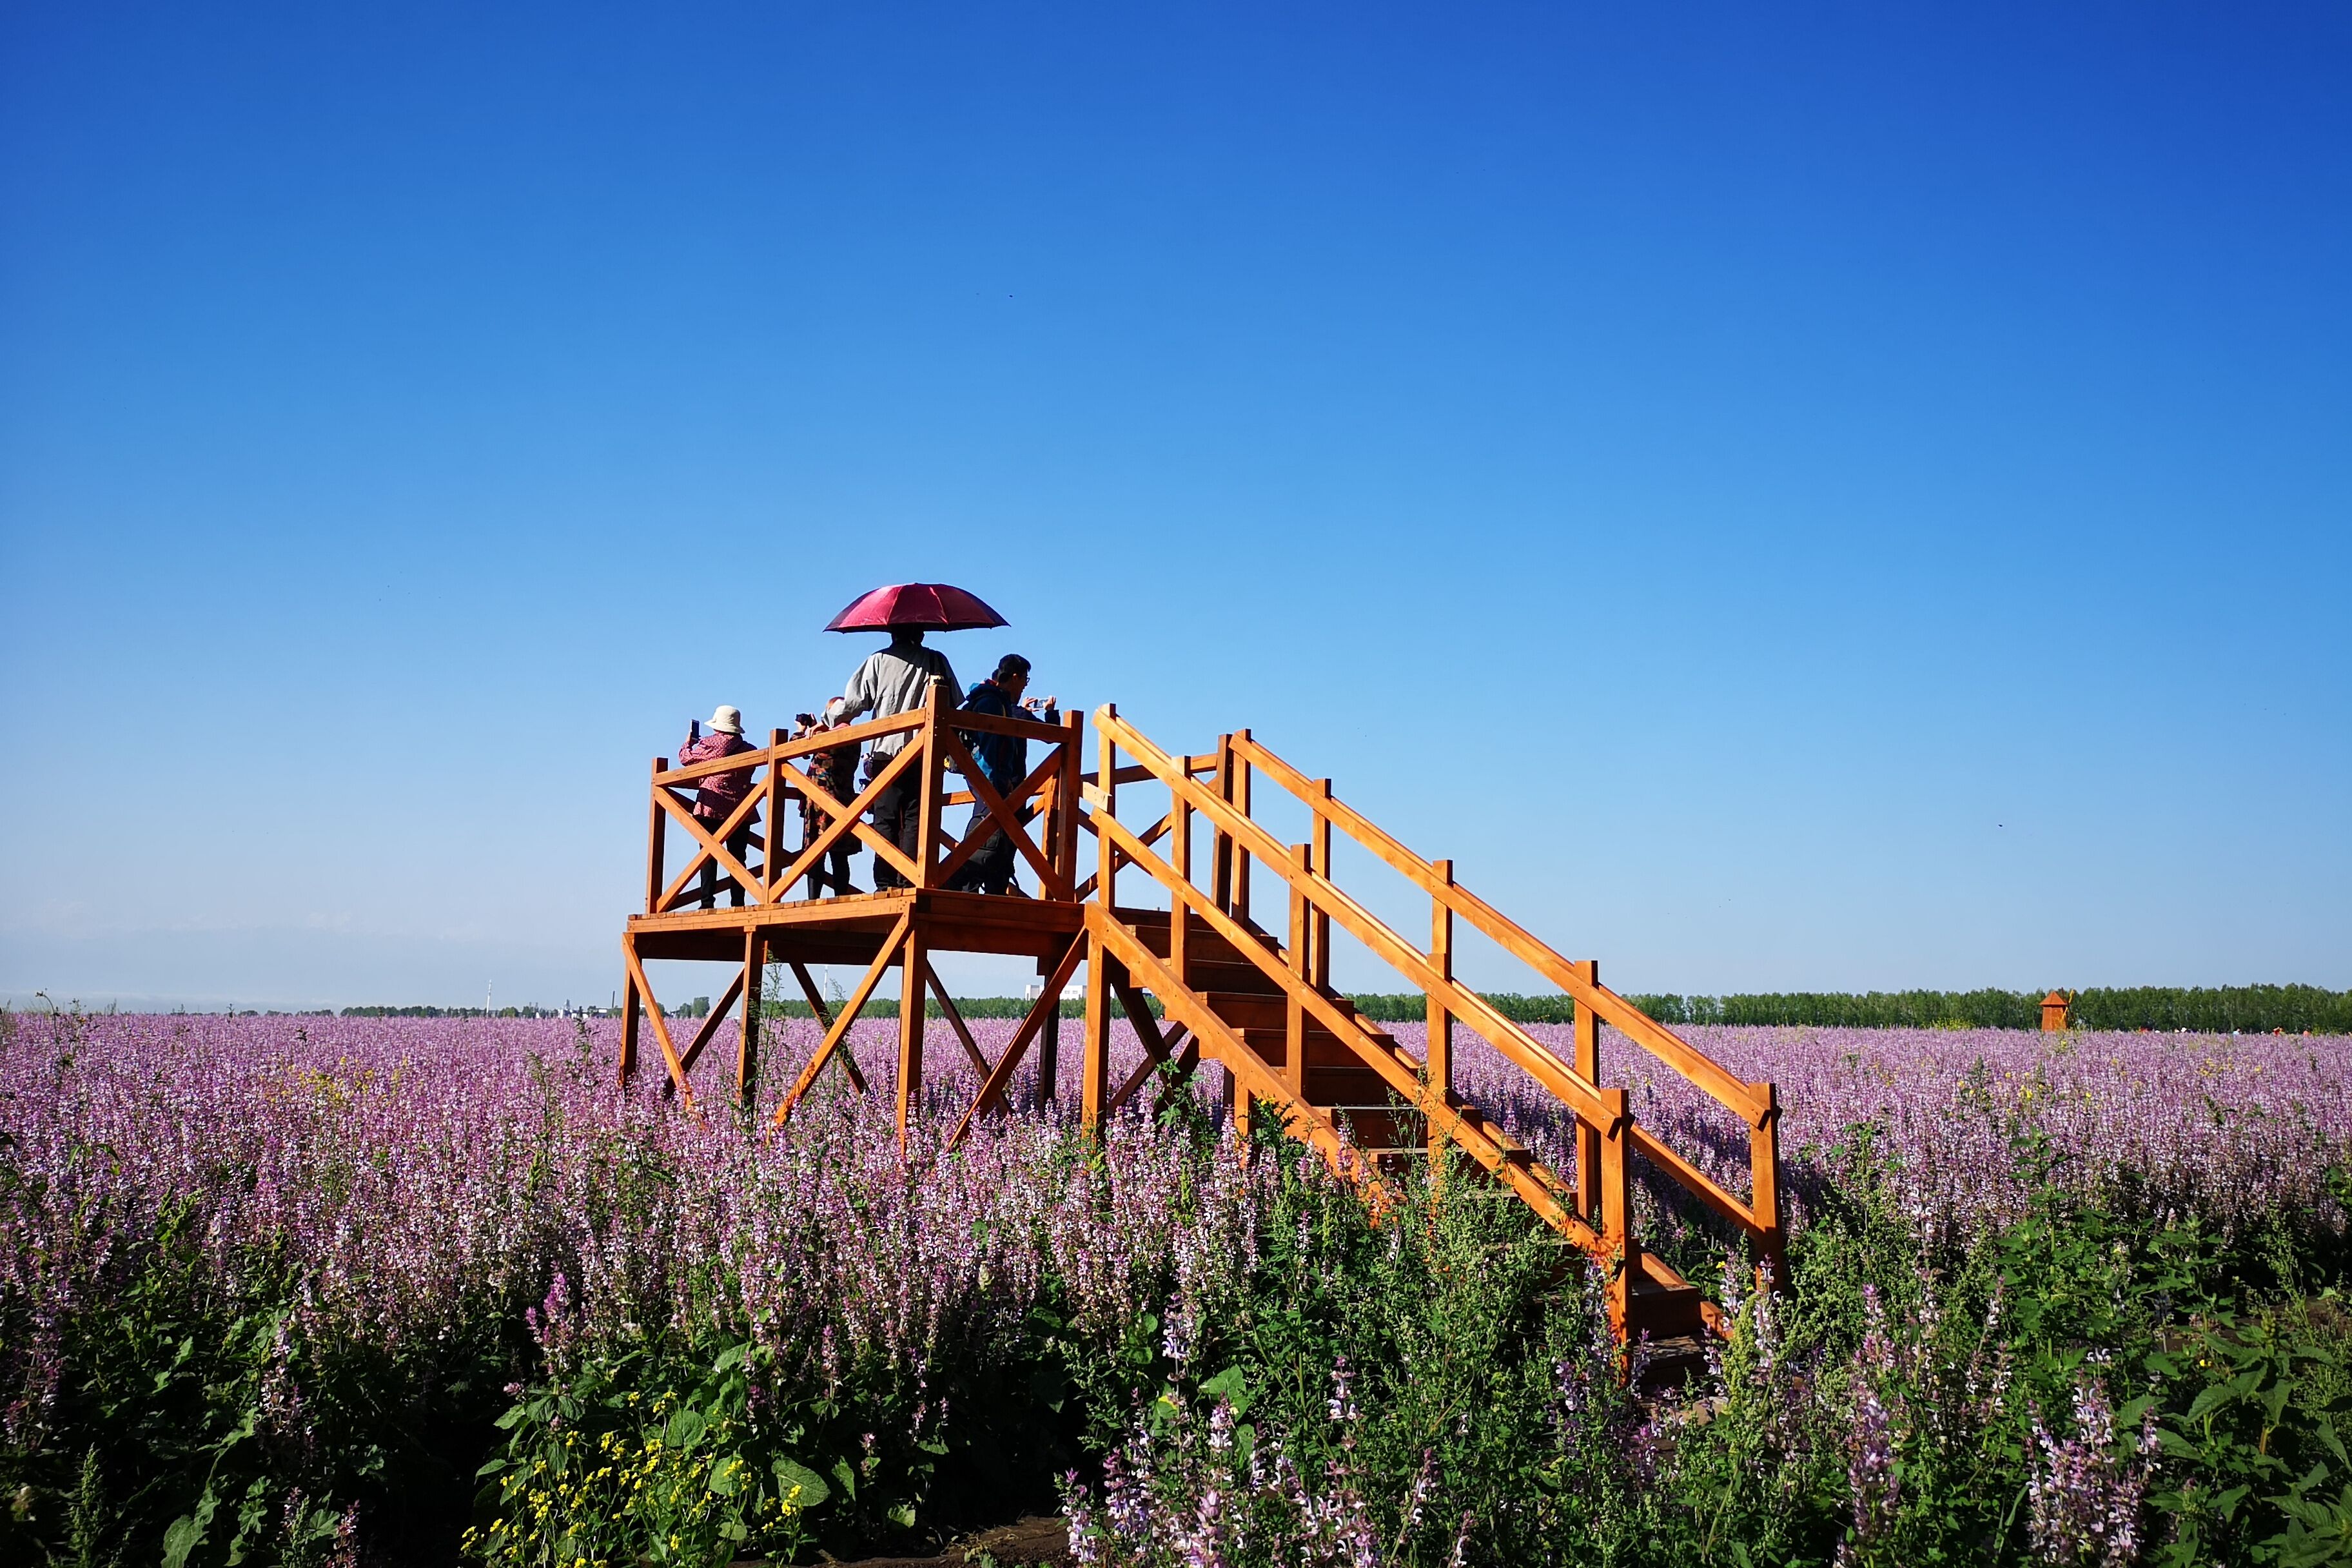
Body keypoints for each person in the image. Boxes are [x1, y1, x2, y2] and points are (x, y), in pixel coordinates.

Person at [835, 628, 959, 888]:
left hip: (885, 752)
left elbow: (854, 703)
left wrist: (828, 721)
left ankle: (885, 882)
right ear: (922, 635)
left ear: (891, 635)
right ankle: (909, 879)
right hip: (924, 751)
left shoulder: (878, 661)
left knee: (886, 819)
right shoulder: (937, 660)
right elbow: (954, 702)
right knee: (917, 817)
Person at [953, 654, 1057, 895]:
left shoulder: (986, 702)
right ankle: (971, 891)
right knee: (993, 843)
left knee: (990, 840)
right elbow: (1051, 735)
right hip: (1004, 784)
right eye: (1025, 680)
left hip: (986, 781)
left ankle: (974, 893)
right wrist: (1050, 712)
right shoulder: (1006, 710)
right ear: (1014, 677)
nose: (1024, 686)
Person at [678, 705, 758, 908]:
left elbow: (686, 759)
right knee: (738, 857)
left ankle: (707, 902)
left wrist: (688, 743)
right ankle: (738, 902)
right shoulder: (750, 750)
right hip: (740, 807)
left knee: (708, 855)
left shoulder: (710, 744)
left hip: (711, 806)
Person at [791, 697, 861, 899]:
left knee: (816, 854)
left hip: (820, 803)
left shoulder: (828, 737)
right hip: (844, 800)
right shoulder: (855, 736)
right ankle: (840, 897)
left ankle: (813, 900)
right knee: (839, 856)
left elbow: (797, 747)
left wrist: (803, 730)